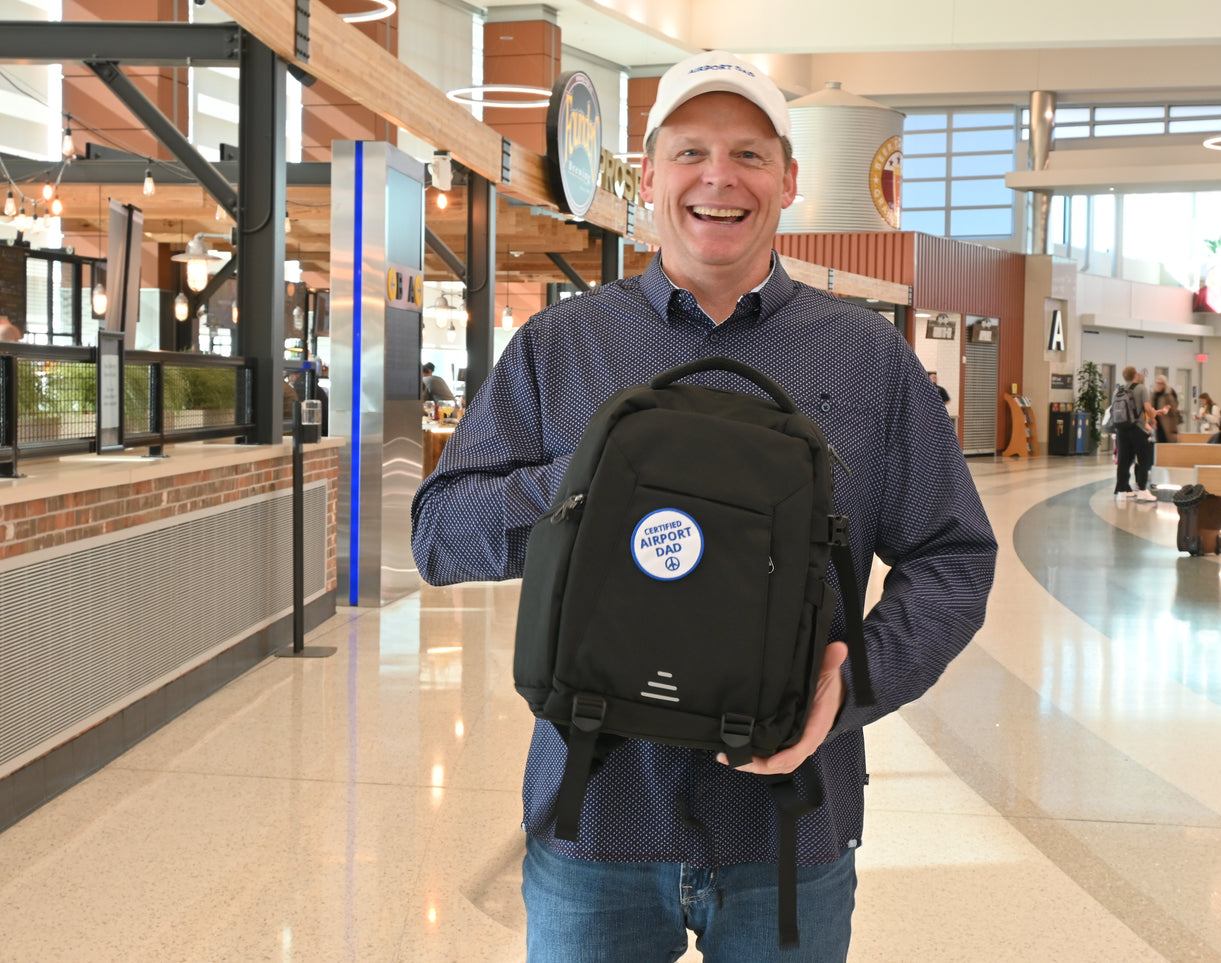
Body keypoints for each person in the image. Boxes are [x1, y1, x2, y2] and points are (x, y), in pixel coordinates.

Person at [409, 49, 998, 961]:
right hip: (594, 818)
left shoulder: (863, 358)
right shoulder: (562, 345)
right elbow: (440, 534)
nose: (718, 178)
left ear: (790, 180)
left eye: (750, 154)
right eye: (689, 151)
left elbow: (953, 557)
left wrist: (855, 681)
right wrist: (589, 487)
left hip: (789, 833)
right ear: (646, 177)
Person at [1114, 366, 1160, 502]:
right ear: (1135, 375)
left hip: (1121, 429)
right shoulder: (1141, 388)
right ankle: (1142, 490)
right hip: (1137, 428)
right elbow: (1147, 408)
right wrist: (1152, 418)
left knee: (1123, 460)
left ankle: (1121, 492)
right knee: (1143, 459)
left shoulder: (1118, 390)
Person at [1151, 373, 1179, 443]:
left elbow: (1174, 414)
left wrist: (1174, 431)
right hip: (1155, 427)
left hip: (1165, 428)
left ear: (1164, 385)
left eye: (1161, 383)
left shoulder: (1168, 397)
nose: (1158, 385)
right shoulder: (1153, 396)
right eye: (1157, 383)